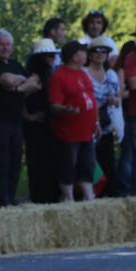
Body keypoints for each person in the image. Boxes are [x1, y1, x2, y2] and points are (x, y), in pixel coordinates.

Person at [0, 29, 41, 208]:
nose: (5, 48)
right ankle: (1, 201)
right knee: (0, 162)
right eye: (1, 44)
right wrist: (21, 85)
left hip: (16, 121)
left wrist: (18, 87)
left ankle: (11, 199)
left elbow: (36, 83)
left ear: (12, 47)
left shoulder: (15, 64)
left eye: (8, 44)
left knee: (15, 162)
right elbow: (7, 81)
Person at [49, 42, 99, 202]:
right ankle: (68, 196)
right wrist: (67, 110)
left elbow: (92, 100)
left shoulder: (83, 74)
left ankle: (88, 195)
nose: (86, 55)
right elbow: (54, 105)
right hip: (69, 132)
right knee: (68, 164)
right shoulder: (59, 76)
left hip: (87, 130)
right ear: (74, 56)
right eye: (83, 52)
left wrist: (97, 123)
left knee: (88, 164)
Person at [23, 40, 60, 204]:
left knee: (50, 159)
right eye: (49, 55)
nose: (53, 58)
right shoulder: (33, 77)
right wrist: (27, 116)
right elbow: (18, 98)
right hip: (36, 126)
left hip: (48, 124)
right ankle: (40, 195)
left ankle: (49, 193)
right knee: (38, 160)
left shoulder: (48, 74)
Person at [85, 37, 120, 197]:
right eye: (96, 51)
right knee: (88, 162)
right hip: (87, 124)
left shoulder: (111, 74)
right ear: (90, 54)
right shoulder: (84, 73)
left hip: (105, 124)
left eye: (104, 51)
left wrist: (115, 100)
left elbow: (117, 98)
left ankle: (110, 195)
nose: (100, 54)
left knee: (108, 162)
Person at [118, 41, 136, 195]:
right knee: (129, 154)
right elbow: (133, 84)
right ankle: (127, 191)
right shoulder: (132, 57)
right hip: (133, 112)